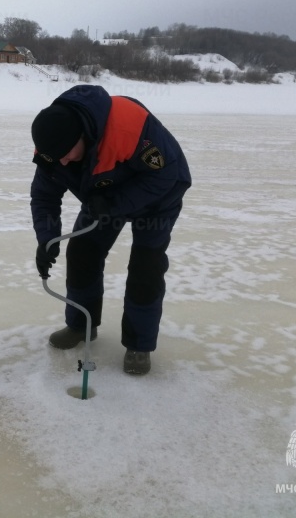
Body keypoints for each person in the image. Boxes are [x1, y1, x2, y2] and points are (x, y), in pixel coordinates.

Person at [30, 84, 191, 375]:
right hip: (102, 194)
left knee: (146, 266)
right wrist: (47, 238)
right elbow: (44, 196)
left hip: (159, 196)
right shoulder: (55, 147)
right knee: (82, 251)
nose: (63, 161)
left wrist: (114, 203)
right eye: (58, 158)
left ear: (83, 136)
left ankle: (139, 345)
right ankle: (81, 324)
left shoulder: (131, 129)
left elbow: (165, 174)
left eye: (67, 154)